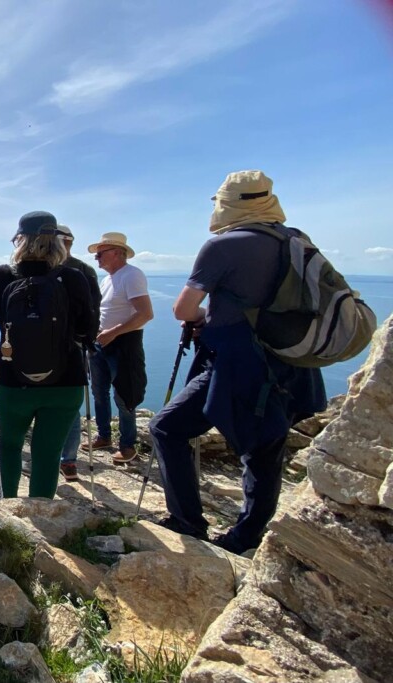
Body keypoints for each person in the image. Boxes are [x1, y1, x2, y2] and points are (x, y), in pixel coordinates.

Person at [149, 170, 325, 554]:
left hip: (237, 365)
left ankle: (187, 521)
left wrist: (203, 317)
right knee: (264, 450)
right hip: (293, 363)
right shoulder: (296, 240)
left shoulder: (223, 246)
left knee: (166, 428)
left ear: (226, 204)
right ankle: (246, 537)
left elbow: (184, 309)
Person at [0, 211, 96, 499]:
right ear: (58, 242)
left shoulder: (2, 275)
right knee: (48, 453)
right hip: (66, 382)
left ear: (20, 240)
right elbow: (88, 332)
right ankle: (41, 511)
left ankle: (8, 509)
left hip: (14, 381)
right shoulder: (74, 277)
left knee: (9, 446)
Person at [87, 231, 153, 465]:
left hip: (124, 343)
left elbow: (145, 314)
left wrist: (113, 332)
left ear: (116, 252)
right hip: (101, 342)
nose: (97, 258)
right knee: (99, 392)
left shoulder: (132, 275)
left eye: (100, 253)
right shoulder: (108, 279)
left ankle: (127, 445)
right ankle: (104, 436)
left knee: (124, 394)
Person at [56, 225, 103, 482]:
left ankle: (60, 459)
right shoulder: (85, 271)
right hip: (75, 348)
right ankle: (68, 461)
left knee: (56, 404)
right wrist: (87, 339)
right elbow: (93, 311)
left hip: (52, 348)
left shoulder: (44, 269)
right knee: (71, 404)